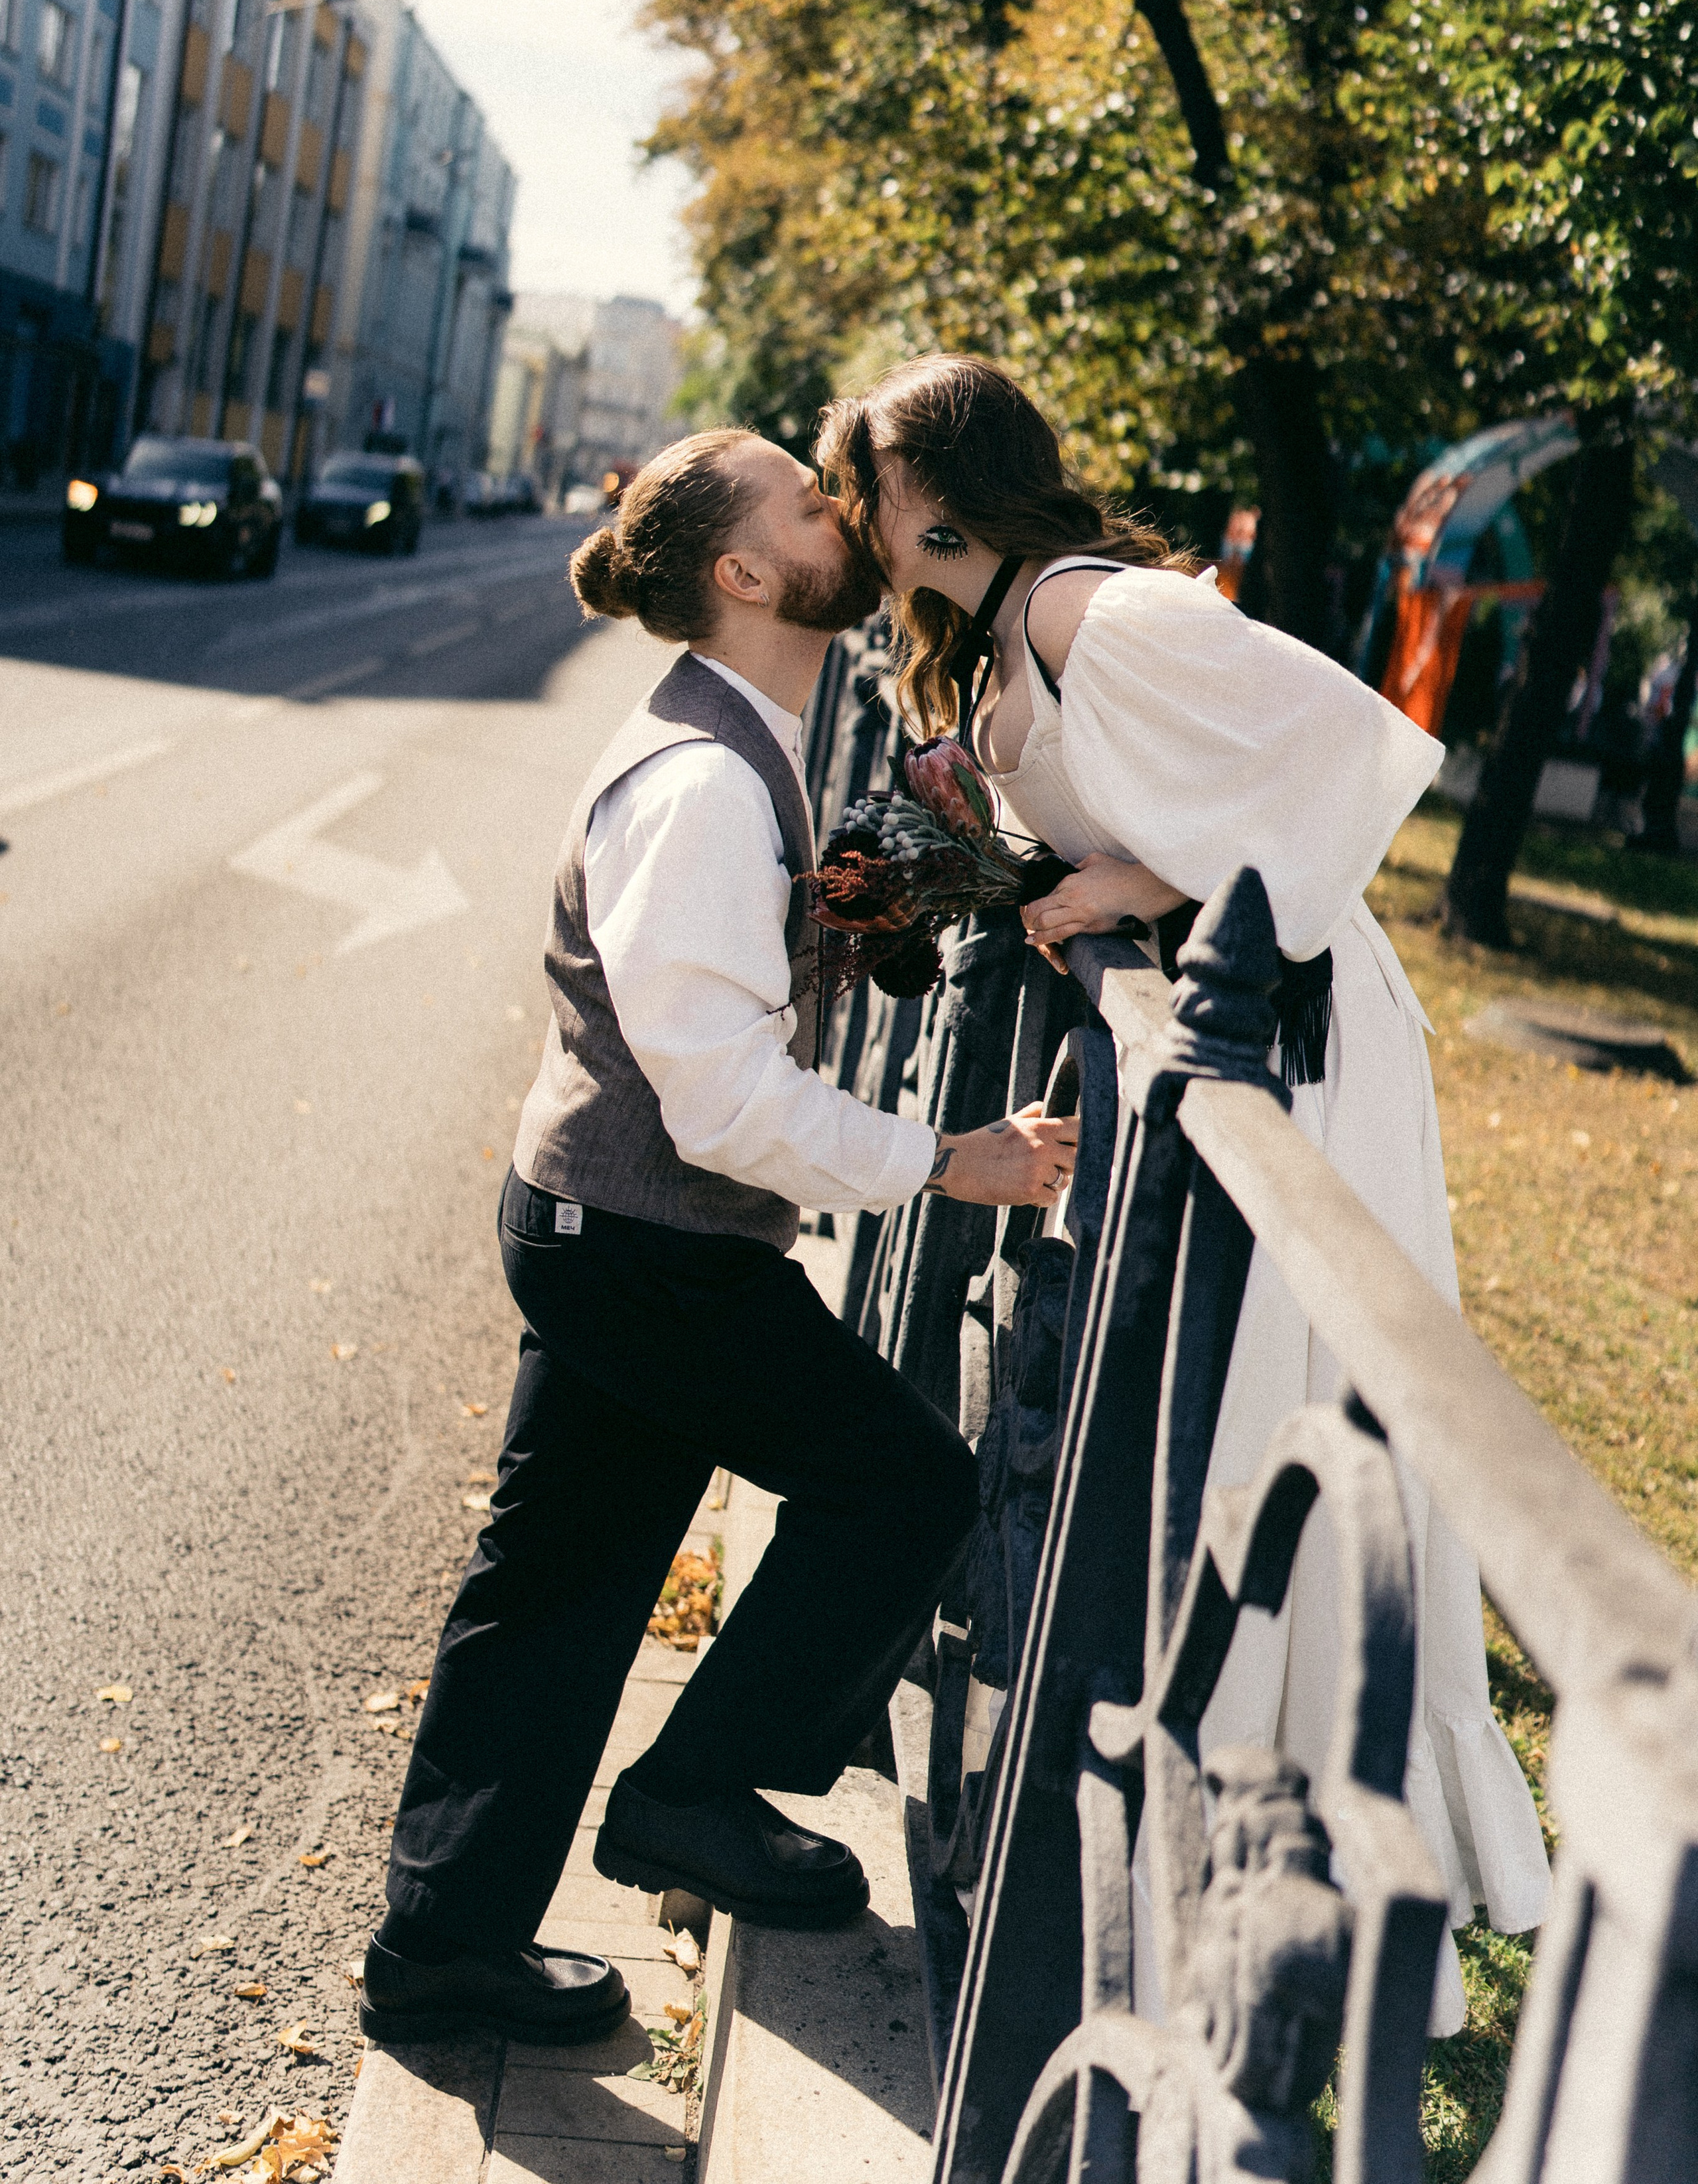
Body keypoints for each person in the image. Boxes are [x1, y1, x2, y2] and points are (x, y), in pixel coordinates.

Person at [816, 353, 1551, 2035]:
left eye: (850, 480)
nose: (843, 513)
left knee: (1268, 1418)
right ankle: (1203, 1862)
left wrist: (1138, 876)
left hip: (1290, 1051)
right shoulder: (999, 630)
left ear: (926, 496)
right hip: (1202, 1061)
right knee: (1204, 1434)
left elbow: (1347, 744)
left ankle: (1283, 1870)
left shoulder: (1087, 610)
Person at [361, 426, 1078, 2049]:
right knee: (900, 1484)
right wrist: (945, 1161)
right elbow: (720, 1103)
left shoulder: (743, 737)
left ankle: (444, 1951)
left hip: (616, 1225)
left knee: (551, 1593)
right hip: (644, 1238)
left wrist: (893, 899)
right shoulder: (695, 781)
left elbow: (738, 994)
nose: (845, 508)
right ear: (747, 574)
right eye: (806, 499)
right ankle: (687, 1794)